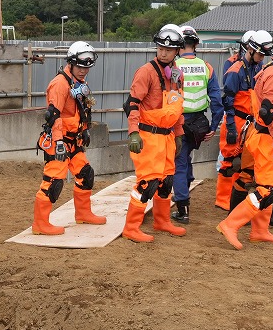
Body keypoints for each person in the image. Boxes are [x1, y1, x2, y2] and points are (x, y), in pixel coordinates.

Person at [216, 27, 273, 249]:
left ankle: (259, 229)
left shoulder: (263, 69)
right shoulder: (242, 70)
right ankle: (231, 221)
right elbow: (235, 102)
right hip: (256, 129)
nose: (260, 57)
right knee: (264, 185)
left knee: (258, 179)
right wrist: (231, 126)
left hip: (256, 127)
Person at [120, 24, 187, 243]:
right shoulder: (146, 72)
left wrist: (179, 133)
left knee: (166, 181)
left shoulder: (177, 75)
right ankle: (131, 227)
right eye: (160, 48)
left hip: (167, 136)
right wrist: (133, 132)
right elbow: (132, 103)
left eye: (168, 50)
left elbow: (177, 105)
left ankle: (162, 221)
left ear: (177, 51)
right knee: (147, 183)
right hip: (148, 135)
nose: (163, 53)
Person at [32, 41, 106, 235]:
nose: (83, 71)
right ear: (71, 63)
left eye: (87, 68)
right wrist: (58, 143)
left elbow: (82, 109)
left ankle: (83, 213)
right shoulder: (60, 84)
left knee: (85, 175)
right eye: (80, 67)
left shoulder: (79, 83)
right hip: (59, 141)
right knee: (53, 181)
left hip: (74, 140)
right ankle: (40, 224)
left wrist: (84, 129)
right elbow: (53, 116)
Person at [171, 25, 221, 225]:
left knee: (179, 164)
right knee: (186, 158)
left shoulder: (173, 67)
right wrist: (213, 127)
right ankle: (186, 186)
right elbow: (216, 101)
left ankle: (182, 209)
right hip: (199, 124)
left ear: (178, 45)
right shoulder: (207, 67)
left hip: (178, 123)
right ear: (196, 44)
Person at [214, 30, 264, 211]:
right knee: (230, 162)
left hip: (249, 122)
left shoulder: (256, 68)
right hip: (236, 120)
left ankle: (234, 197)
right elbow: (227, 99)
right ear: (250, 49)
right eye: (260, 54)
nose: (262, 58)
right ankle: (222, 198)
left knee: (242, 163)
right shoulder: (235, 70)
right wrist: (230, 126)